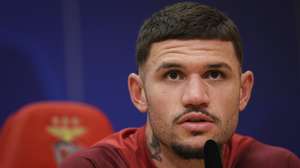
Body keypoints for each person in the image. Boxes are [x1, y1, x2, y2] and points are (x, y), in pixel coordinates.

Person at [60, 1, 300, 168]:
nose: (195, 96)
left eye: (214, 74)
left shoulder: (277, 165)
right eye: (173, 75)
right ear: (139, 93)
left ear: (244, 91)